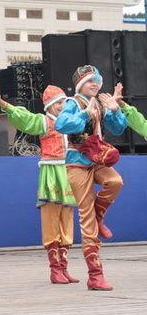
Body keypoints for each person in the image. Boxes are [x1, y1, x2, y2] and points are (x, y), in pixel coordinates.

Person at [0, 85, 79, 284]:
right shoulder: (44, 122)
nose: (62, 106)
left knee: (66, 220)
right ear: (50, 106)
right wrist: (4, 105)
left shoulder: (70, 124)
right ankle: (54, 269)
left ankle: (64, 266)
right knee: (51, 219)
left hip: (67, 171)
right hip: (51, 172)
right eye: (58, 102)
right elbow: (24, 118)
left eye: (64, 102)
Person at [55, 65, 127, 291]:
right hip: (77, 162)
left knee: (115, 181)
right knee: (86, 220)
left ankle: (99, 215)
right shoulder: (72, 103)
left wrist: (115, 109)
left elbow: (118, 129)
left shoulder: (99, 103)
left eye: (96, 81)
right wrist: (84, 114)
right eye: (89, 81)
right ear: (80, 85)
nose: (94, 84)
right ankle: (95, 275)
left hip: (96, 160)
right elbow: (62, 125)